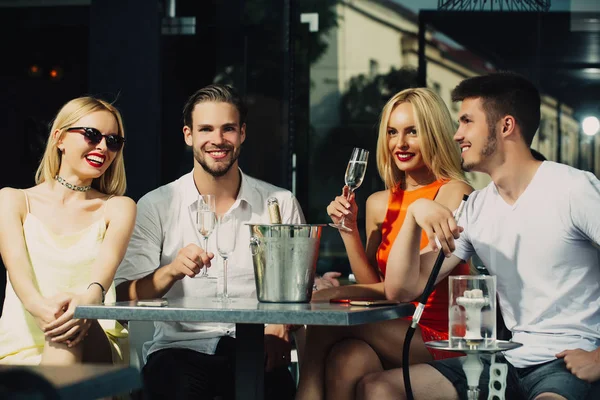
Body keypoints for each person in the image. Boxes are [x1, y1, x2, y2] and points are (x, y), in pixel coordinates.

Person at [358, 72, 600, 400]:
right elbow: (402, 288)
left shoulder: (573, 189)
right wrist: (414, 216)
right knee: (378, 387)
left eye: (467, 122)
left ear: (505, 126)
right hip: (506, 358)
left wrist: (599, 358)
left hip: (565, 361)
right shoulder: (476, 208)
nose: (457, 135)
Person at [115, 83, 325, 400]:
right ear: (188, 135)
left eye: (228, 128)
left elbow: (297, 293)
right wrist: (169, 272)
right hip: (179, 351)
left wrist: (280, 325)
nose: (218, 139)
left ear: (242, 133)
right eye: (206, 129)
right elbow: (122, 299)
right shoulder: (156, 205)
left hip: (257, 351)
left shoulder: (278, 203)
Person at [295, 87, 473, 400]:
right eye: (392, 132)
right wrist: (348, 230)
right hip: (390, 326)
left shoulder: (454, 193)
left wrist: (337, 294)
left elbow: (407, 287)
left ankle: (305, 393)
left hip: (442, 338)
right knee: (347, 358)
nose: (399, 144)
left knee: (329, 319)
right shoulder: (379, 202)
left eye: (412, 132)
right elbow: (376, 287)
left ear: (433, 134)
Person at [0, 96, 135, 365]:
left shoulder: (118, 207)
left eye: (113, 141)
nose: (102, 147)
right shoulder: (13, 200)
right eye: (92, 135)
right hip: (21, 346)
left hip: (94, 339)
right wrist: (40, 309)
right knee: (65, 324)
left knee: (70, 323)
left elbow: (99, 283)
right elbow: (17, 270)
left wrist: (78, 307)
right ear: (59, 138)